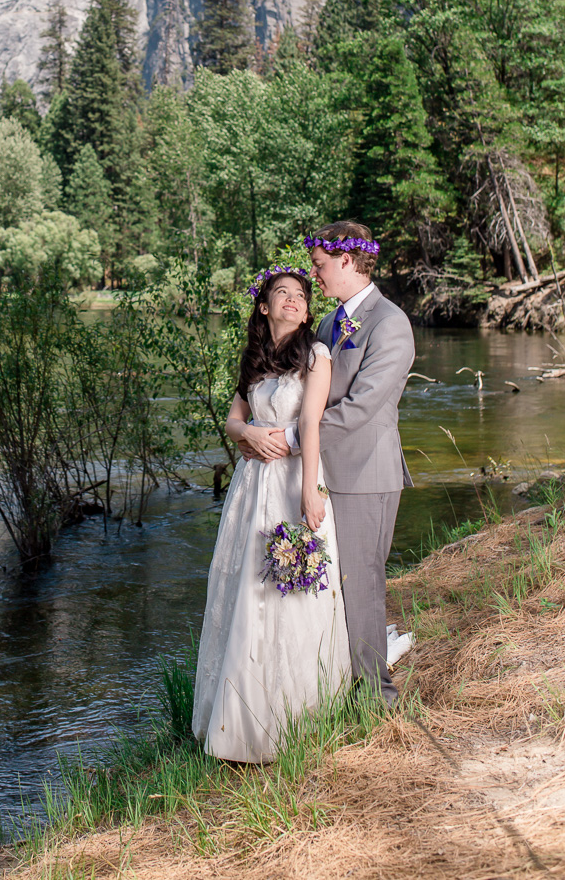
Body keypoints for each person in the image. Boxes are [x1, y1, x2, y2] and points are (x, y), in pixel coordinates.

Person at [192, 266, 350, 763]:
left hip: (292, 480)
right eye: (282, 294)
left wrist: (310, 495)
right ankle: (238, 723)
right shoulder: (255, 360)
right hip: (252, 485)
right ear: (264, 307)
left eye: (301, 295)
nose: (294, 300)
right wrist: (248, 435)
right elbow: (233, 419)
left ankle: (298, 717)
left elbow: (310, 424)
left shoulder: (316, 356)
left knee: (296, 588)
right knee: (248, 589)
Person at [306, 221, 414, 709]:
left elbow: (364, 405)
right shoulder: (329, 324)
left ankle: (377, 699)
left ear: (347, 261)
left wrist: (295, 438)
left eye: (321, 265)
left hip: (367, 475)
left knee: (362, 583)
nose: (316, 274)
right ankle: (335, 686)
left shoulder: (390, 322)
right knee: (329, 584)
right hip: (325, 475)